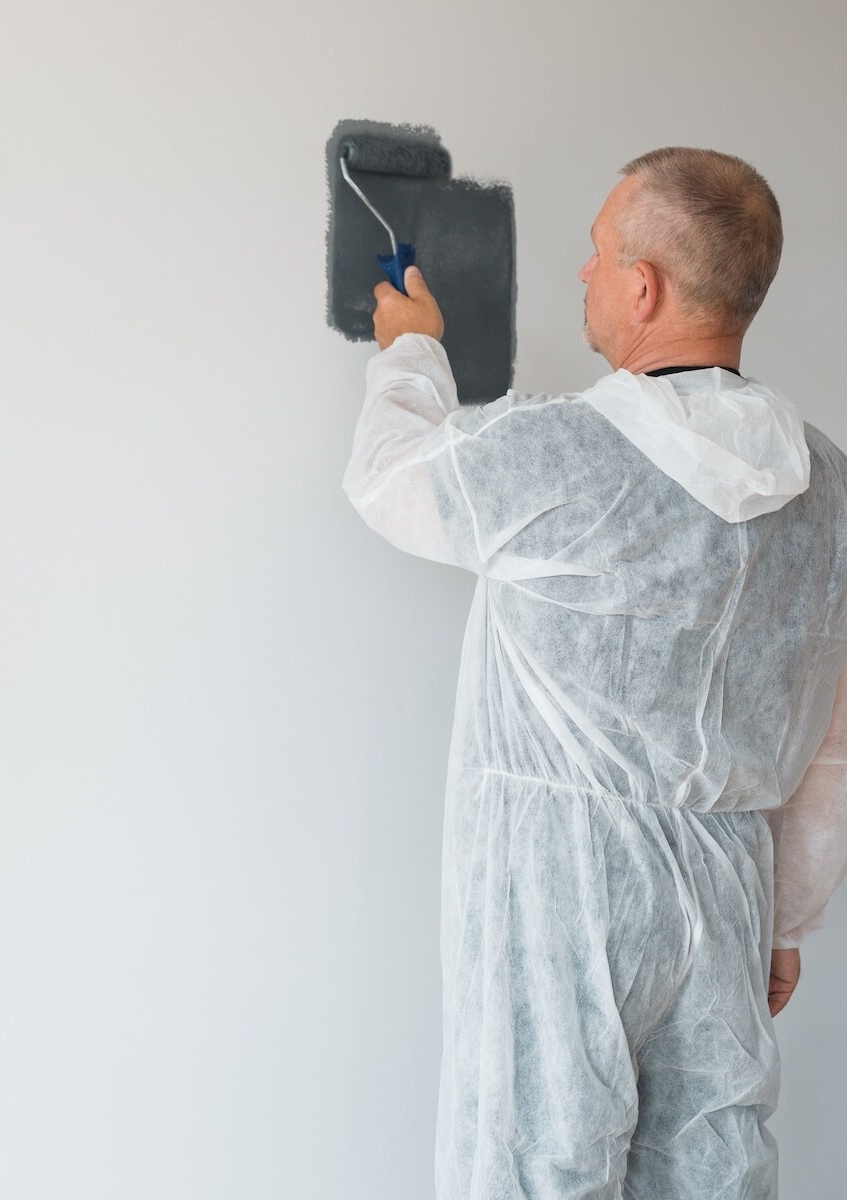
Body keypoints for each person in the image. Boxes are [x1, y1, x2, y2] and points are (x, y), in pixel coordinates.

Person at [344, 147, 847, 1198]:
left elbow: (391, 480)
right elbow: (832, 731)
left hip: (560, 907)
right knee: (711, 1177)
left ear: (644, 287)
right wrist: (786, 917)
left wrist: (411, 351)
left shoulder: (565, 454)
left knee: (536, 1173)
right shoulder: (828, 489)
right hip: (726, 897)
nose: (583, 271)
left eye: (597, 250)